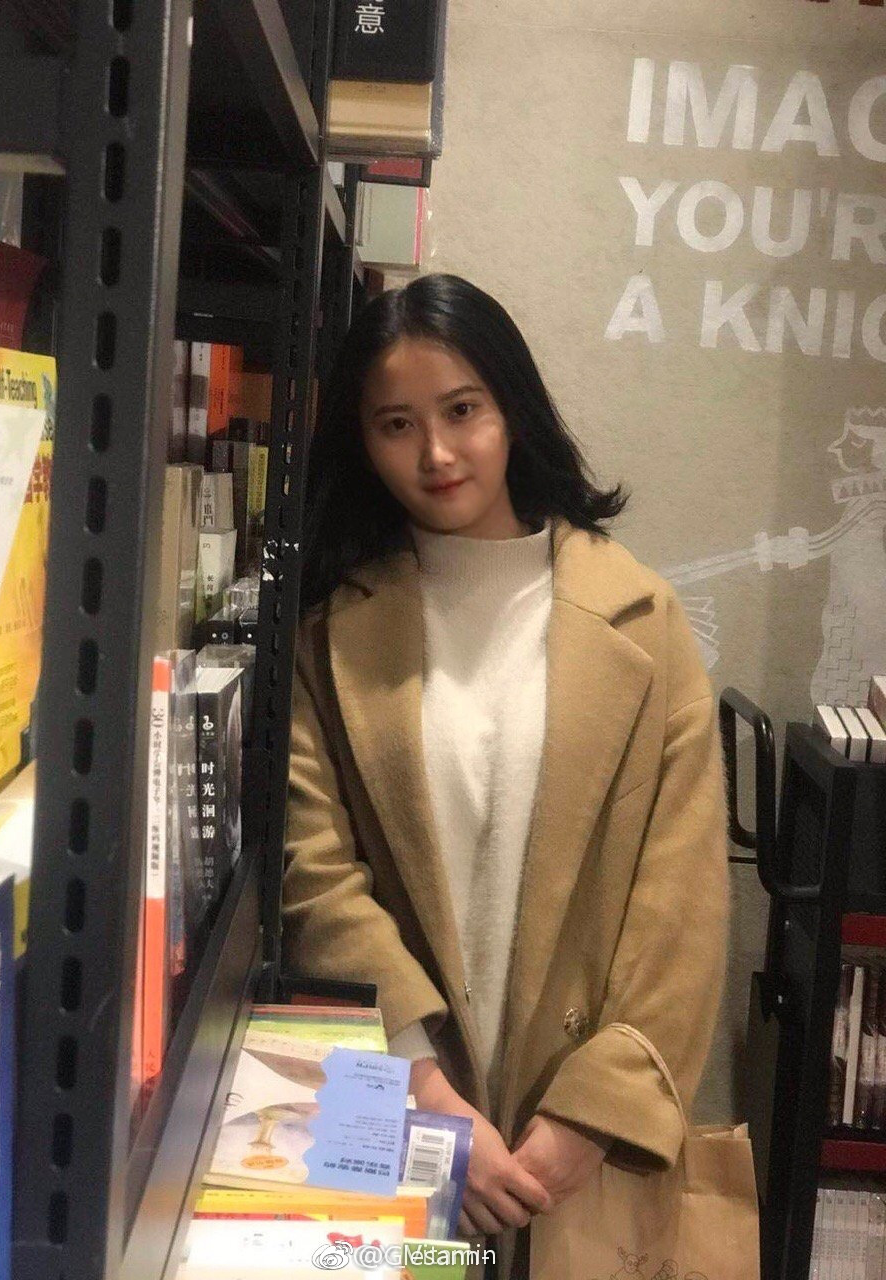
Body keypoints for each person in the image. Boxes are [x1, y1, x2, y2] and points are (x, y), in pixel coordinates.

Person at [282, 273, 730, 1279]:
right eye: (397, 424)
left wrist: (584, 1122)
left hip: (580, 1162)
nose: (437, 454)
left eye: (462, 410)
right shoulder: (329, 630)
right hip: (396, 1119)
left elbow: (683, 904)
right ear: (362, 440)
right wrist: (429, 1097)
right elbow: (316, 871)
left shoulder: (643, 621)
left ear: (513, 411)